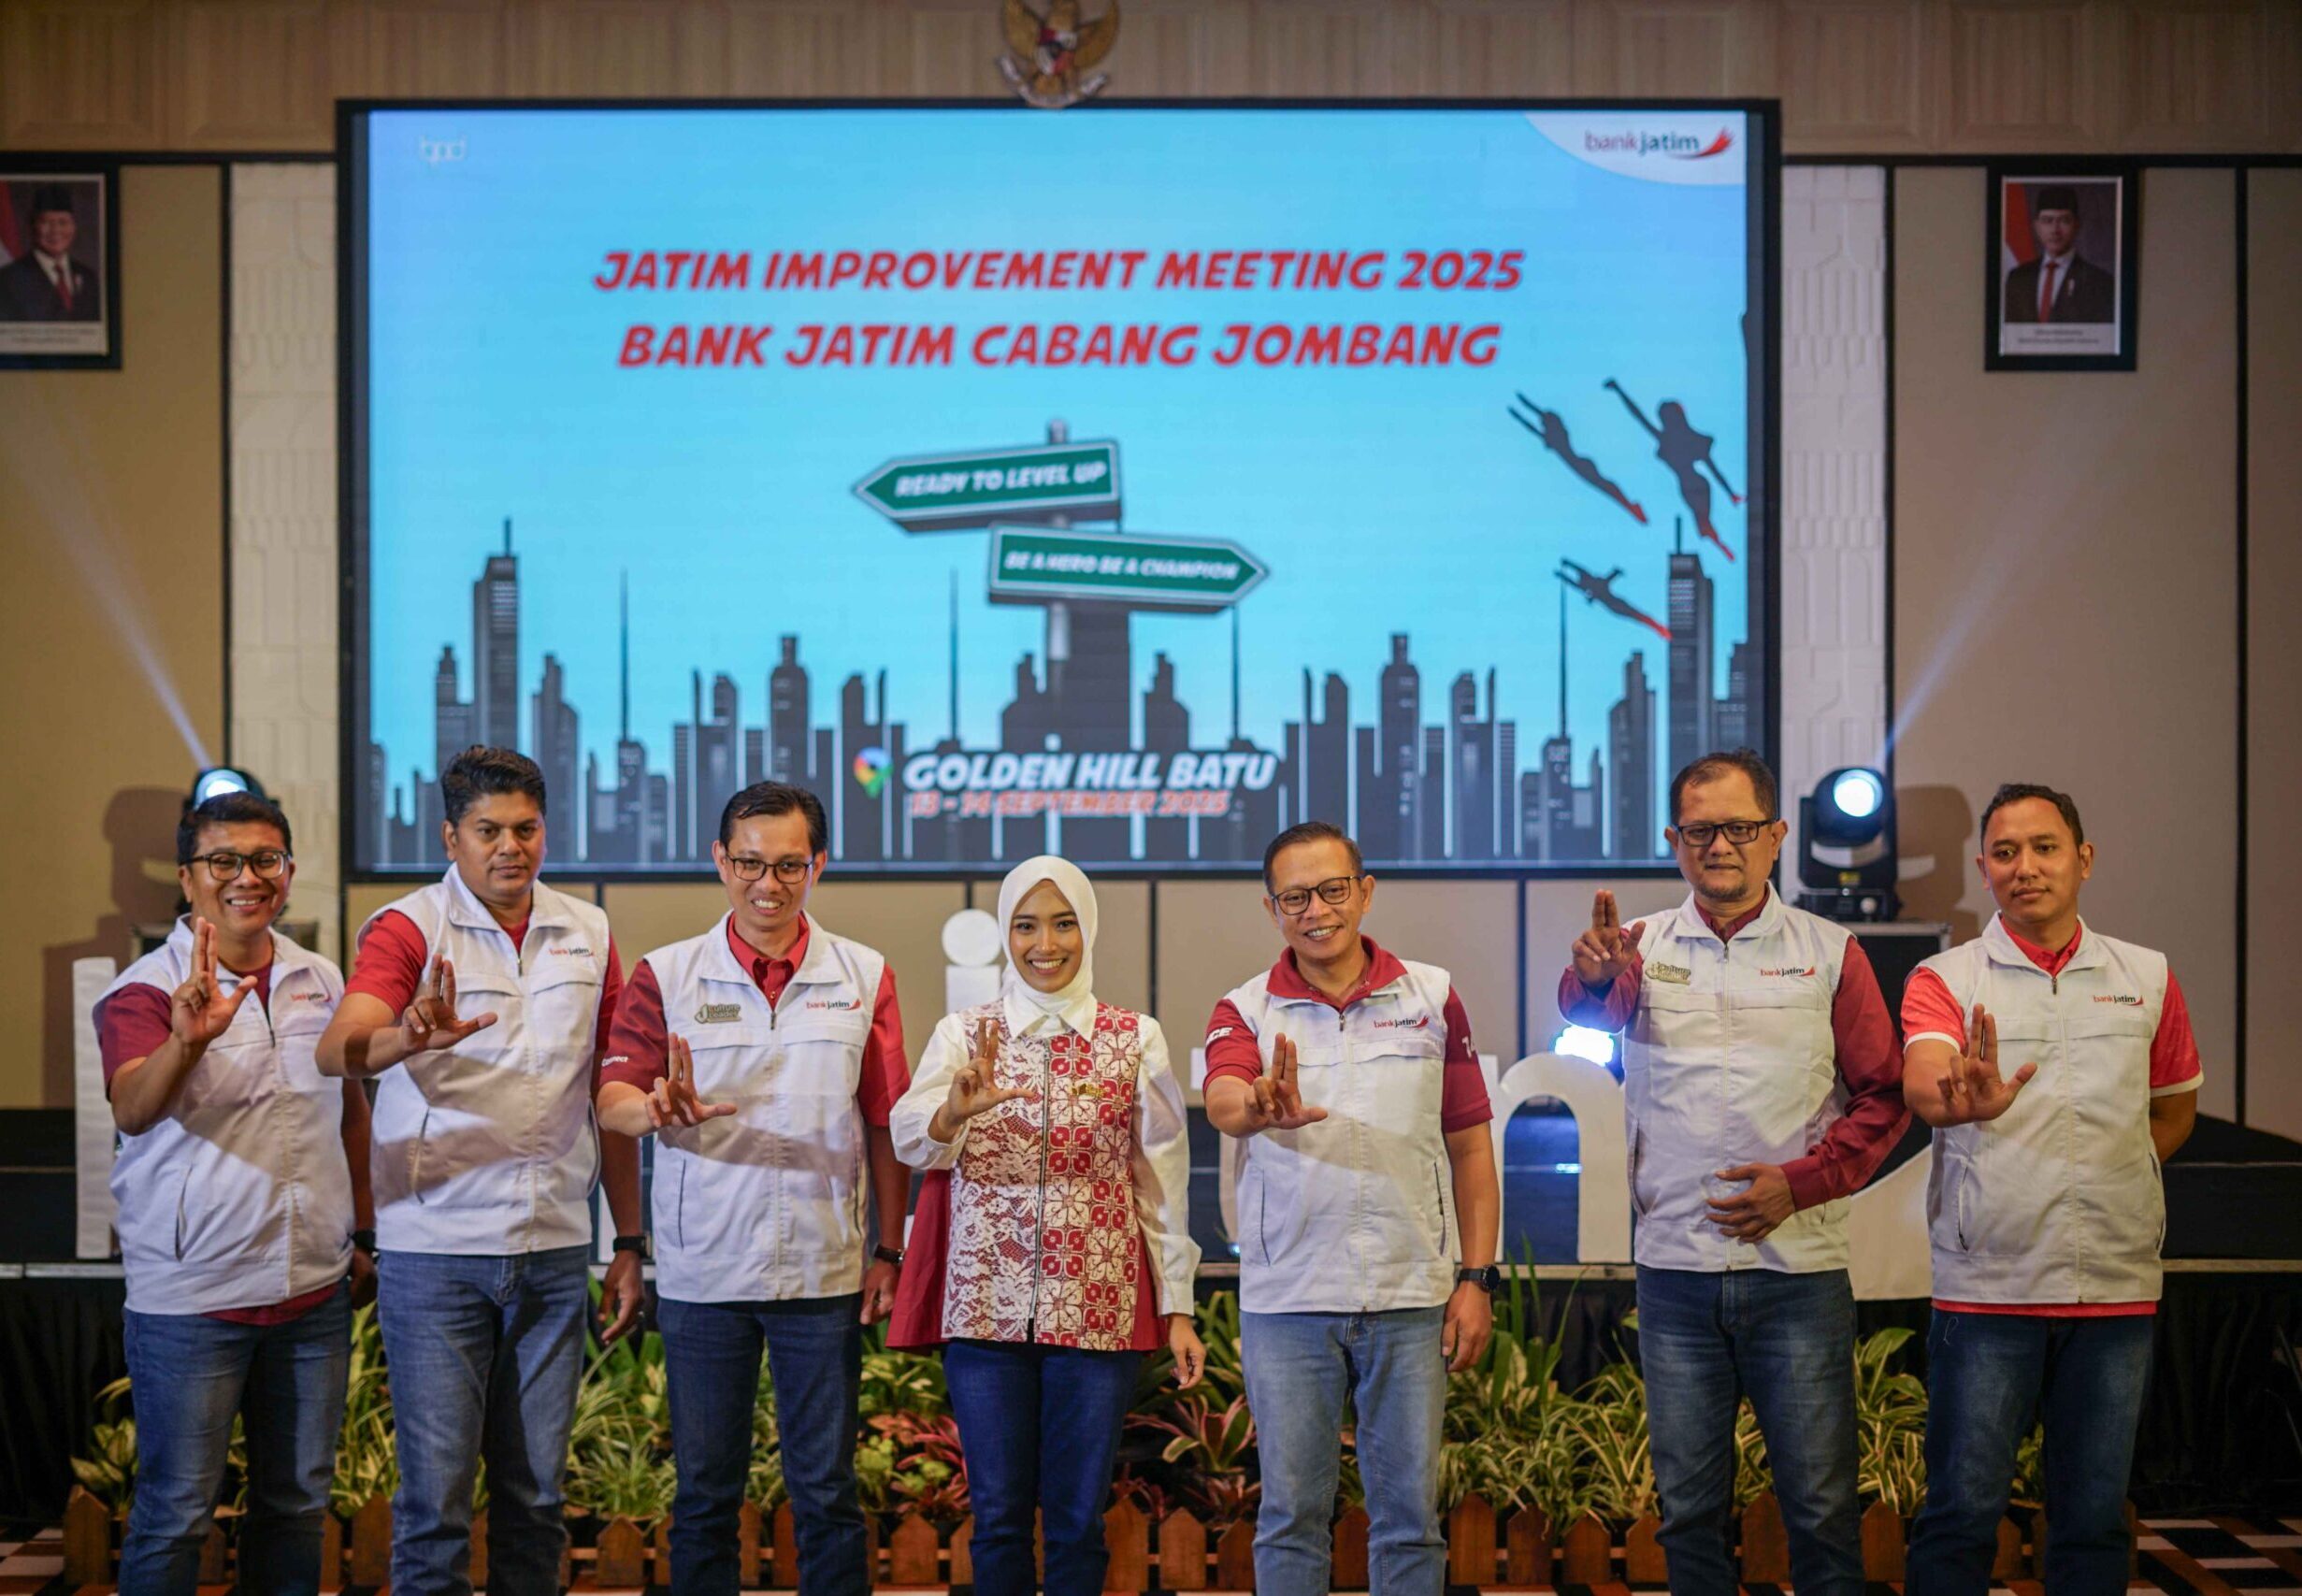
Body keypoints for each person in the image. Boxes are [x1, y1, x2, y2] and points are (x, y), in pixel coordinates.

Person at [1559, 749, 1906, 1596]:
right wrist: (1591, 978)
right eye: (1701, 830)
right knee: (1687, 1514)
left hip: (1798, 1274)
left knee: (1821, 1512)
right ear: (1674, 840)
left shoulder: (1830, 952)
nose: (1720, 845)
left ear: (1776, 836)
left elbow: (1885, 1096)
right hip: (1676, 1273)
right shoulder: (1639, 945)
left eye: (1740, 828)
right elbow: (1591, 1005)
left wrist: (1802, 1182)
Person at [317, 746, 641, 1595]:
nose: (510, 847)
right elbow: (337, 1047)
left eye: (526, 829)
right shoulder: (408, 926)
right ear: (450, 836)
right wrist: (405, 1038)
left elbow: (606, 1089)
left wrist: (629, 1240)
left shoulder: (589, 929)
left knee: (536, 1499)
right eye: (488, 830)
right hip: (435, 1253)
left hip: (552, 1249)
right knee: (436, 1504)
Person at [595, 782, 911, 1596]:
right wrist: (654, 1107)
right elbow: (612, 1098)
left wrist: (889, 1248)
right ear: (719, 860)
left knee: (827, 1493)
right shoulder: (668, 974)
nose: (767, 885)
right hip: (704, 1274)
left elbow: (885, 1120)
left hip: (823, 1272)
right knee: (705, 1495)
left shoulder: (863, 974)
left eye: (788, 866)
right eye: (749, 863)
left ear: (818, 865)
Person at [1901, 783, 2199, 1596]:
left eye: (2044, 847)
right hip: (1988, 1289)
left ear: (2083, 858)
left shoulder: (2146, 974)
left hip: (2116, 1288)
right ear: (1984, 869)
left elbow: (2173, 1110)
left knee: (2094, 1522)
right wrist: (1958, 1099)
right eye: (2005, 852)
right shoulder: (1946, 975)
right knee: (1960, 1516)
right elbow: (1924, 1079)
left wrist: (2113, 1175)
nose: (2024, 866)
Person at [889, 856, 1203, 1596]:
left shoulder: (1135, 1037)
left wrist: (1179, 1305)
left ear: (1087, 929)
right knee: (998, 1518)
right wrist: (952, 1112)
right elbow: (908, 1137)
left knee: (1076, 1519)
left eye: (1064, 923)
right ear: (1006, 933)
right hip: (984, 1309)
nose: (1046, 943)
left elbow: (1161, 1185)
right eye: (1026, 925)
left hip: (1095, 1307)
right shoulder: (965, 1033)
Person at [1202, 820, 1500, 1596]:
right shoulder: (1245, 1007)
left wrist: (1476, 1277)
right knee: (1291, 1518)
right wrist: (1257, 1105)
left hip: (1410, 1296)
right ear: (1273, 909)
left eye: (1333, 889)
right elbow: (1224, 1098)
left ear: (1364, 892)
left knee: (1409, 1522)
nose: (1317, 910)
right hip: (1289, 1301)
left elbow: (1471, 1147)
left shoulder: (1431, 997)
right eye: (1295, 897)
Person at [94, 790, 373, 1594]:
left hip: (311, 1294)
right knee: (176, 1513)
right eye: (223, 860)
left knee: (296, 1507)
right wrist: (184, 1042)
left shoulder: (320, 977)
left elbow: (350, 1112)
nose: (247, 876)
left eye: (264, 859)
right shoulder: (144, 990)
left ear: (287, 870)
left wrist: (362, 1234)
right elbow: (132, 1108)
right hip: (194, 1299)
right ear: (188, 878)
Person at [2002, 185, 2116, 324]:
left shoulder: (2100, 282)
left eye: (2064, 220)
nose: (2055, 230)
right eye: (2047, 220)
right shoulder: (2017, 279)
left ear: (2077, 225)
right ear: (2036, 227)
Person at [0, 183, 99, 322]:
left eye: (63, 222)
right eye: (46, 222)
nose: (55, 231)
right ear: (32, 226)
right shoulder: (8, 279)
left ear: (74, 227)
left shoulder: (89, 277)